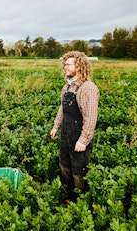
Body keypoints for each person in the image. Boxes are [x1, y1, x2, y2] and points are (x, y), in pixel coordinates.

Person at [50, 51, 99, 203]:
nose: (65, 67)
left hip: (79, 136)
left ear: (79, 66)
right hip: (66, 134)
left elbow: (90, 118)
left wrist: (83, 141)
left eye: (68, 65)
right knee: (64, 165)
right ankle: (70, 195)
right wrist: (56, 126)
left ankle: (81, 202)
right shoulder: (67, 87)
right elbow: (62, 109)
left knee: (79, 171)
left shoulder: (87, 88)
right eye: (64, 64)